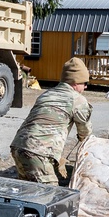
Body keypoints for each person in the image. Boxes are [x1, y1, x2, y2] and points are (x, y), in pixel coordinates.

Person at [10, 57, 92, 185]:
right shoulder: (77, 100)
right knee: (50, 197)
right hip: (38, 152)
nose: (86, 87)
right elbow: (85, 134)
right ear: (76, 82)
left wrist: (58, 158)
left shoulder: (47, 94)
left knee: (27, 191)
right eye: (85, 83)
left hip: (18, 146)